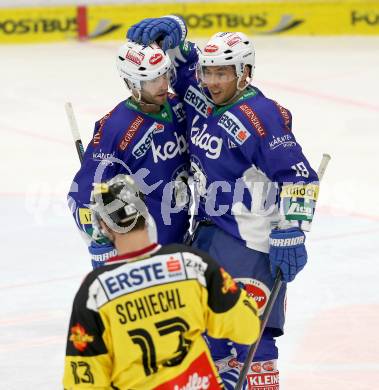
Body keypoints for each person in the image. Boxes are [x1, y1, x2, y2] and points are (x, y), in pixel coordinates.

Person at [127, 18, 319, 389]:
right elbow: (181, 72)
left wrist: (292, 230)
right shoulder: (205, 97)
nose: (212, 81)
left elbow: (298, 175)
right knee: (206, 329)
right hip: (209, 234)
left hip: (250, 241)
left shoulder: (261, 116)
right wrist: (179, 43)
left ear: (244, 72)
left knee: (252, 335)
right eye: (208, 71)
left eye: (223, 73)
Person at [63, 174, 260, 389]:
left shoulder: (95, 292)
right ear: (145, 213)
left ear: (104, 226)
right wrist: (240, 299)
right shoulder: (192, 265)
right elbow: (248, 329)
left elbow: (83, 382)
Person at [67, 39, 190, 269]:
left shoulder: (178, 107)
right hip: (142, 254)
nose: (163, 84)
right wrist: (99, 239)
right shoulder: (115, 128)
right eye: (153, 79)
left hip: (184, 241)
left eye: (164, 74)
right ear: (132, 84)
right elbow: (81, 196)